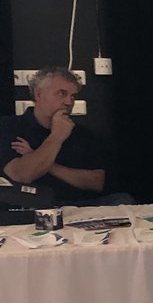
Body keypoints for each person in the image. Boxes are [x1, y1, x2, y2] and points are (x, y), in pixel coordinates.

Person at [0, 67, 132, 206]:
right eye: (61, 94)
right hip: (32, 206)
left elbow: (96, 182)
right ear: (38, 94)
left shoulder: (82, 133)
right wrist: (57, 136)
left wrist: (43, 161)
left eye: (73, 96)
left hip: (79, 205)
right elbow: (20, 176)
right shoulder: (9, 126)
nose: (69, 102)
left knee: (123, 200)